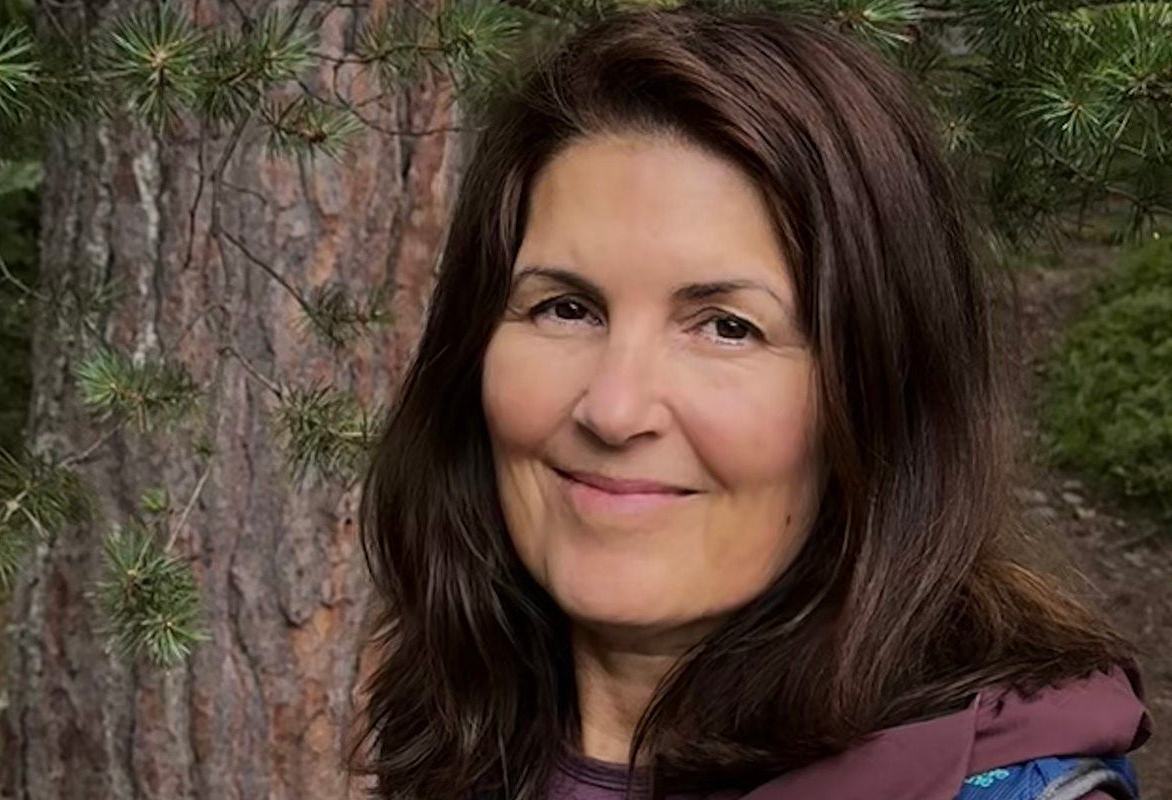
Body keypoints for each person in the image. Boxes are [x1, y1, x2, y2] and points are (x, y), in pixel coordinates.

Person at [348, 8, 1150, 800]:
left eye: (728, 327)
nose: (615, 409)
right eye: (566, 308)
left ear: (877, 389)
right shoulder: (451, 730)